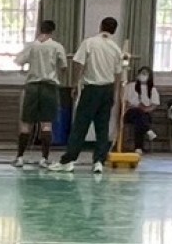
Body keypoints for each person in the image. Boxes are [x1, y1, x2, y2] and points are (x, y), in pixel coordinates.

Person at [55, 16, 127, 174]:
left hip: (91, 89)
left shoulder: (89, 43)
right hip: (107, 90)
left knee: (80, 126)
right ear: (114, 30)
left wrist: (75, 84)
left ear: (100, 26)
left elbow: (79, 63)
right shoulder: (116, 49)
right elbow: (118, 75)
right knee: (102, 128)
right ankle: (99, 162)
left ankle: (69, 161)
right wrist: (114, 94)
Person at [14, 19, 69, 167]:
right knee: (46, 124)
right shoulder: (57, 46)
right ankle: (44, 159)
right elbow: (64, 66)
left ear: (40, 29)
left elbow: (18, 61)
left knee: (26, 123)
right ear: (52, 31)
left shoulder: (31, 46)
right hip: (49, 87)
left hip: (32, 86)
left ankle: (20, 157)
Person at [122, 64, 161, 154]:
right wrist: (132, 106)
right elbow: (125, 100)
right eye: (142, 73)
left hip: (145, 112)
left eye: (145, 74)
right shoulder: (130, 86)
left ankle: (138, 147)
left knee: (140, 118)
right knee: (138, 113)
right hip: (130, 112)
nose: (143, 75)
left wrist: (146, 109)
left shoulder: (152, 89)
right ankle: (146, 134)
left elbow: (154, 104)